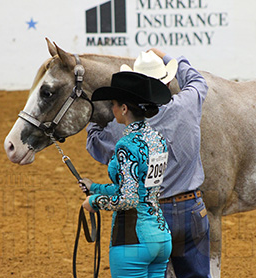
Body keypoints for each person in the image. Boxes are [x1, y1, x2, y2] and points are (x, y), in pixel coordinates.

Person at [85, 49, 211, 278]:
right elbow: (197, 79)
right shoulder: (188, 103)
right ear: (168, 80)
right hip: (190, 208)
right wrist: (168, 58)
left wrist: (96, 119)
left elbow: (96, 146)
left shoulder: (120, 129)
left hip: (147, 219)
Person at [80, 71, 173, 278]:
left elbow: (128, 199)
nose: (112, 109)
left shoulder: (126, 145)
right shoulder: (157, 138)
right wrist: (94, 187)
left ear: (124, 108)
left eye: (114, 104)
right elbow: (140, 187)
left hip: (132, 241)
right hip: (160, 237)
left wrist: (94, 201)